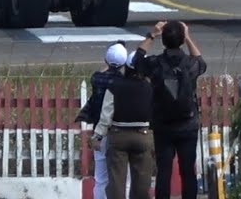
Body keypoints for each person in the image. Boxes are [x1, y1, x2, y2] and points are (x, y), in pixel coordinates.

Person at [133, 21, 207, 199]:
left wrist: (152, 34)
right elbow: (201, 63)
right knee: (188, 171)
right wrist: (187, 36)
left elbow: (136, 61)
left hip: (163, 125)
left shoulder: (156, 64)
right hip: (187, 124)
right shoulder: (189, 64)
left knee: (163, 172)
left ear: (163, 41)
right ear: (181, 41)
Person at [95, 50, 156, 199]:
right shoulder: (151, 88)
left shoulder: (115, 86)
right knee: (142, 180)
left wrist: (98, 135)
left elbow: (106, 114)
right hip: (143, 134)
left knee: (116, 180)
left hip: (118, 134)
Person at [78, 43, 130, 199]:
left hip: (99, 132)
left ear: (106, 61)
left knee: (101, 178)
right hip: (118, 131)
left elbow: (103, 71)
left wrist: (109, 62)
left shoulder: (96, 78)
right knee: (124, 176)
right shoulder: (123, 82)